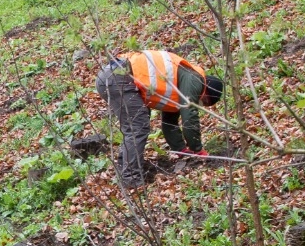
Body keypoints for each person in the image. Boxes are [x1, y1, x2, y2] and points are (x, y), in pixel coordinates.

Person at [96, 49, 224, 189]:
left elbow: (169, 122)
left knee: (135, 126)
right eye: (204, 102)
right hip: (119, 77)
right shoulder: (195, 80)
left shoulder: (181, 83)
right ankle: (131, 179)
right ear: (207, 91)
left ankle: (125, 170)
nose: (201, 104)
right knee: (137, 127)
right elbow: (189, 115)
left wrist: (180, 149)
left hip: (112, 74)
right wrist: (197, 149)